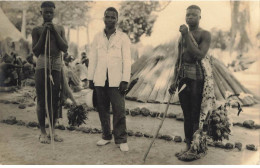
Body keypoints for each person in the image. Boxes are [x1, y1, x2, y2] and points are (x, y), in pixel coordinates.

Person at [169, 5, 212, 157]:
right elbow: (178, 59)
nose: (190, 17)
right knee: (186, 114)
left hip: (197, 79)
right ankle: (188, 145)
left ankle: (196, 147)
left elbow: (199, 55)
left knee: (195, 114)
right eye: (188, 15)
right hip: (183, 78)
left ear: (200, 17)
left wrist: (187, 35)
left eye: (194, 15)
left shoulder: (205, 34)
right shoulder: (182, 36)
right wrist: (174, 80)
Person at [88, 7, 131, 152]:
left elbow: (127, 60)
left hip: (116, 80)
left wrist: (125, 79)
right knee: (102, 109)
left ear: (117, 20)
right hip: (100, 78)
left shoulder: (123, 37)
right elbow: (93, 58)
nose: (110, 20)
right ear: (103, 18)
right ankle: (106, 136)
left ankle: (121, 139)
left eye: (113, 17)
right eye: (108, 17)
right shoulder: (97, 37)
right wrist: (90, 78)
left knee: (119, 110)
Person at [31, 1, 70, 144]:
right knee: (41, 99)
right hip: (42, 63)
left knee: (55, 99)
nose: (48, 15)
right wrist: (44, 32)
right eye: (45, 12)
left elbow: (64, 47)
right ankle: (42, 132)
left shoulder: (59, 28)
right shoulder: (36, 29)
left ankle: (53, 131)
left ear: (54, 13)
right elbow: (35, 51)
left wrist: (53, 31)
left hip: (56, 64)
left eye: (51, 12)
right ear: (41, 13)